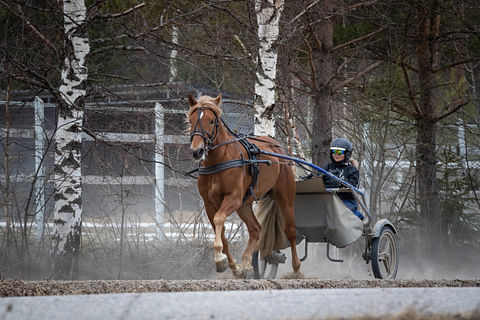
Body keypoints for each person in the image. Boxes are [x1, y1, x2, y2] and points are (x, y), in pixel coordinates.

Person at [322, 138, 363, 220]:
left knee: (338, 212)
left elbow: (353, 185)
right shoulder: (327, 168)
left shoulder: (352, 170)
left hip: (346, 201)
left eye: (339, 152)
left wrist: (340, 180)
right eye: (334, 152)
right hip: (329, 200)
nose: (336, 154)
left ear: (347, 154)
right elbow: (318, 177)